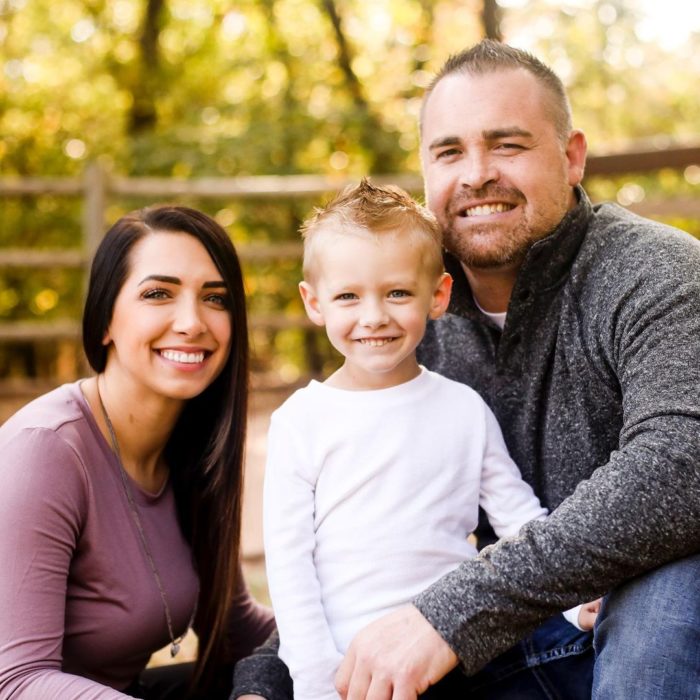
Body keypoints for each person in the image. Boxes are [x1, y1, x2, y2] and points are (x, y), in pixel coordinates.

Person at [232, 40, 700, 700]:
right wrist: (265, 679)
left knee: (666, 588)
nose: (476, 174)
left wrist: (451, 612)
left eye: (507, 144)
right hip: (513, 639)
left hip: (640, 617)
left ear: (571, 157)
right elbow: (358, 547)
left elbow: (682, 466)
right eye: (450, 152)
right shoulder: (404, 319)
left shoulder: (657, 275)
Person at [261, 179, 598, 700]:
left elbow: (516, 518)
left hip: (466, 646)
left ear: (437, 295)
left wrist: (575, 602)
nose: (374, 316)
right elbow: (290, 569)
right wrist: (314, 681)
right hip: (359, 667)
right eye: (348, 296)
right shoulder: (301, 422)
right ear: (314, 302)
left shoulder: (463, 408)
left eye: (397, 292)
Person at [0, 205, 275, 699]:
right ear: (104, 319)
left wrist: (375, 638)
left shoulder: (195, 449)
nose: (192, 322)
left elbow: (237, 628)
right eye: (157, 294)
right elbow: (17, 682)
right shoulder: (46, 450)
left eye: (215, 298)